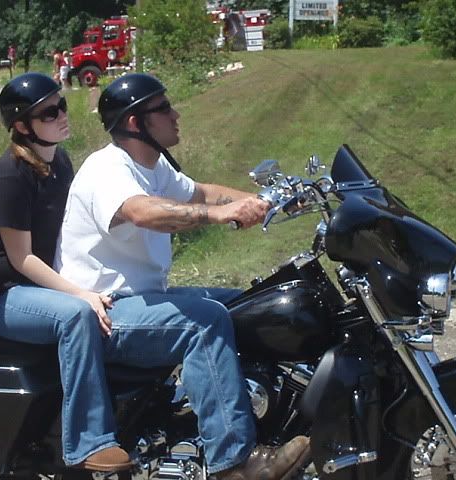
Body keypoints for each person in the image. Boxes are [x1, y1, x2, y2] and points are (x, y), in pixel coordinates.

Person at [53, 72, 311, 480]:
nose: (176, 115)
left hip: (143, 299)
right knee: (205, 322)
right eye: (164, 109)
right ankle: (235, 463)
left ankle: (273, 413)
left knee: (251, 303)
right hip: (105, 312)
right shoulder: (107, 168)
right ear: (135, 122)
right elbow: (144, 212)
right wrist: (220, 215)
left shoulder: (152, 165)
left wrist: (268, 200)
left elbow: (200, 193)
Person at [0, 72, 133, 473]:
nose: (62, 115)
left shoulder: (59, 161)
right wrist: (79, 294)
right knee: (77, 315)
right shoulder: (11, 175)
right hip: (5, 295)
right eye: (48, 112)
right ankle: (88, 442)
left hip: (41, 286)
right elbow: (21, 259)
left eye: (61, 105)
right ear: (22, 126)